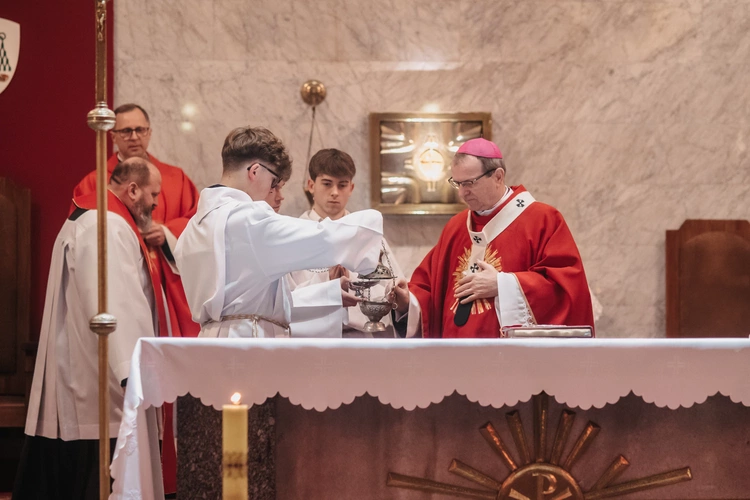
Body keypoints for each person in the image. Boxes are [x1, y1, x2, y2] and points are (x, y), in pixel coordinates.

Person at [15, 158, 166, 500]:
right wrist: (134, 373)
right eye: (152, 194)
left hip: (90, 374)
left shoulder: (98, 219)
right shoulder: (106, 226)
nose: (156, 203)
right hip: (101, 388)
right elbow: (115, 302)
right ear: (132, 190)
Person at [174, 126, 385, 338]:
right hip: (249, 340)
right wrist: (370, 224)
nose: (274, 192)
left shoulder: (193, 227)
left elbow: (255, 298)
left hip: (212, 340)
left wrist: (329, 292)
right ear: (254, 171)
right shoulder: (247, 219)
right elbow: (324, 237)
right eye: (274, 182)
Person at [392, 138, 594, 338]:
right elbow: (428, 287)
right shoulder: (456, 227)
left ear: (498, 176)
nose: (462, 193)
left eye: (470, 183)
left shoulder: (543, 220)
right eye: (458, 184)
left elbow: (565, 288)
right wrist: (408, 301)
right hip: (454, 356)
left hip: (512, 360)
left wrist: (502, 284)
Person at [73, 103, 200, 339]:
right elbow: (80, 236)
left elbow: (199, 224)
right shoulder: (94, 183)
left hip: (166, 283)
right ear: (113, 136)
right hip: (119, 281)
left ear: (149, 132)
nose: (134, 137)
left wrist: (167, 234)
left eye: (140, 130)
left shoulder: (176, 179)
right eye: (126, 131)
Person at [289, 148, 404, 337]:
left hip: (360, 339)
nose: (334, 192)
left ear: (351, 188)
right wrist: (327, 281)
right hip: (309, 339)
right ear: (311, 185)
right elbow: (284, 299)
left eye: (342, 185)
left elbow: (392, 289)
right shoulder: (294, 236)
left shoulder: (369, 236)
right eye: (327, 184)